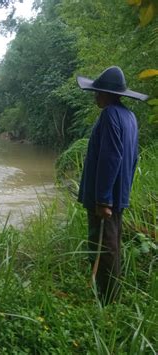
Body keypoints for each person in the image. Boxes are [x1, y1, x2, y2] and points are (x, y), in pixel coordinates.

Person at [76, 66, 148, 304]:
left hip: (105, 198)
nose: (95, 96)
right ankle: (109, 296)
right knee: (112, 244)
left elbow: (111, 157)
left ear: (107, 94)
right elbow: (133, 157)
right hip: (118, 195)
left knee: (103, 247)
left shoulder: (109, 115)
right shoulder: (130, 117)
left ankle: (106, 301)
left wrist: (103, 199)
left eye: (98, 92)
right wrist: (119, 193)